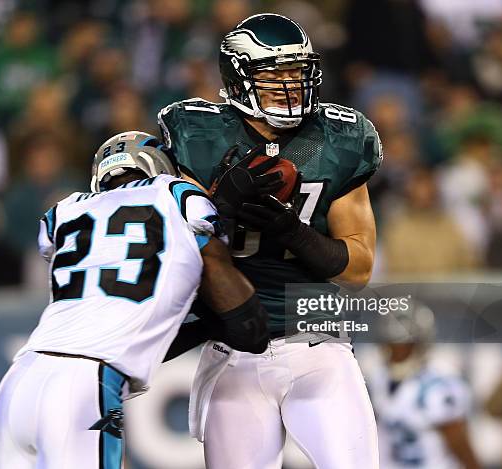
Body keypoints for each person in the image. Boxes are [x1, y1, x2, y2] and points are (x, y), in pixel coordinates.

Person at [158, 13, 382, 468]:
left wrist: (293, 232)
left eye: (297, 73)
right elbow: (175, 245)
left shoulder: (339, 137)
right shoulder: (197, 133)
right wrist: (218, 203)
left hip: (317, 345)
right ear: (239, 79)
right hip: (232, 350)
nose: (289, 86)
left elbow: (358, 269)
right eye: (274, 74)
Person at [0, 131, 270, 469]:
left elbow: (125, 324)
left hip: (19, 380)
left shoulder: (63, 210)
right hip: (86, 383)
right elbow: (242, 317)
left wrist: (206, 327)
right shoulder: (175, 193)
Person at [369, 303, 481, 469]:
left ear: (420, 344)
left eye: (404, 345)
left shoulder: (439, 381)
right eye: (391, 344)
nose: (395, 352)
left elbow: (459, 443)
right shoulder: (379, 379)